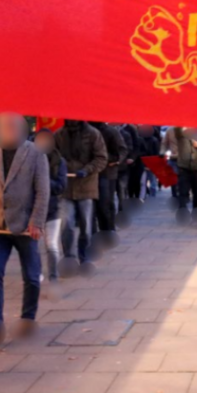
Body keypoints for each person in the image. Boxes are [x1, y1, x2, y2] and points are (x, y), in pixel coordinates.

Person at [0, 113, 50, 343]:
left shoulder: (36, 153)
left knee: (30, 276)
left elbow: (42, 191)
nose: (8, 130)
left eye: (12, 126)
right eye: (4, 126)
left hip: (26, 227)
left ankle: (28, 317)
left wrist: (36, 221)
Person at [55, 120, 108, 273]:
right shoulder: (59, 134)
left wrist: (87, 169)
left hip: (86, 185)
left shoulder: (92, 134)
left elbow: (101, 158)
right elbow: (51, 156)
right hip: (66, 187)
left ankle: (84, 255)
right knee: (67, 223)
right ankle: (69, 257)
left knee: (86, 224)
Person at [34, 128, 68, 280]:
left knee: (51, 244)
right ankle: (36, 272)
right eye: (39, 139)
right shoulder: (27, 159)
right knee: (33, 246)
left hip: (53, 209)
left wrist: (44, 180)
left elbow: (61, 186)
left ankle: (53, 277)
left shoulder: (59, 161)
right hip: (32, 210)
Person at [92, 122, 126, 232]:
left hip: (107, 172)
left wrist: (115, 160)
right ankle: (96, 230)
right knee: (93, 204)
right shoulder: (85, 131)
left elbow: (122, 149)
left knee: (106, 202)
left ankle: (109, 228)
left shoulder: (110, 131)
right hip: (90, 172)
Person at [175, 127, 197, 210]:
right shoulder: (181, 136)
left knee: (196, 191)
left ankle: (196, 208)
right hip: (183, 167)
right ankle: (182, 208)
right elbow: (177, 129)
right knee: (183, 190)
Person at [136, 124, 161, 198]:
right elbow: (156, 153)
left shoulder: (140, 139)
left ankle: (145, 195)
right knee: (151, 180)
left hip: (145, 163)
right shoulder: (154, 140)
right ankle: (152, 195)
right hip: (149, 162)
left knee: (145, 181)